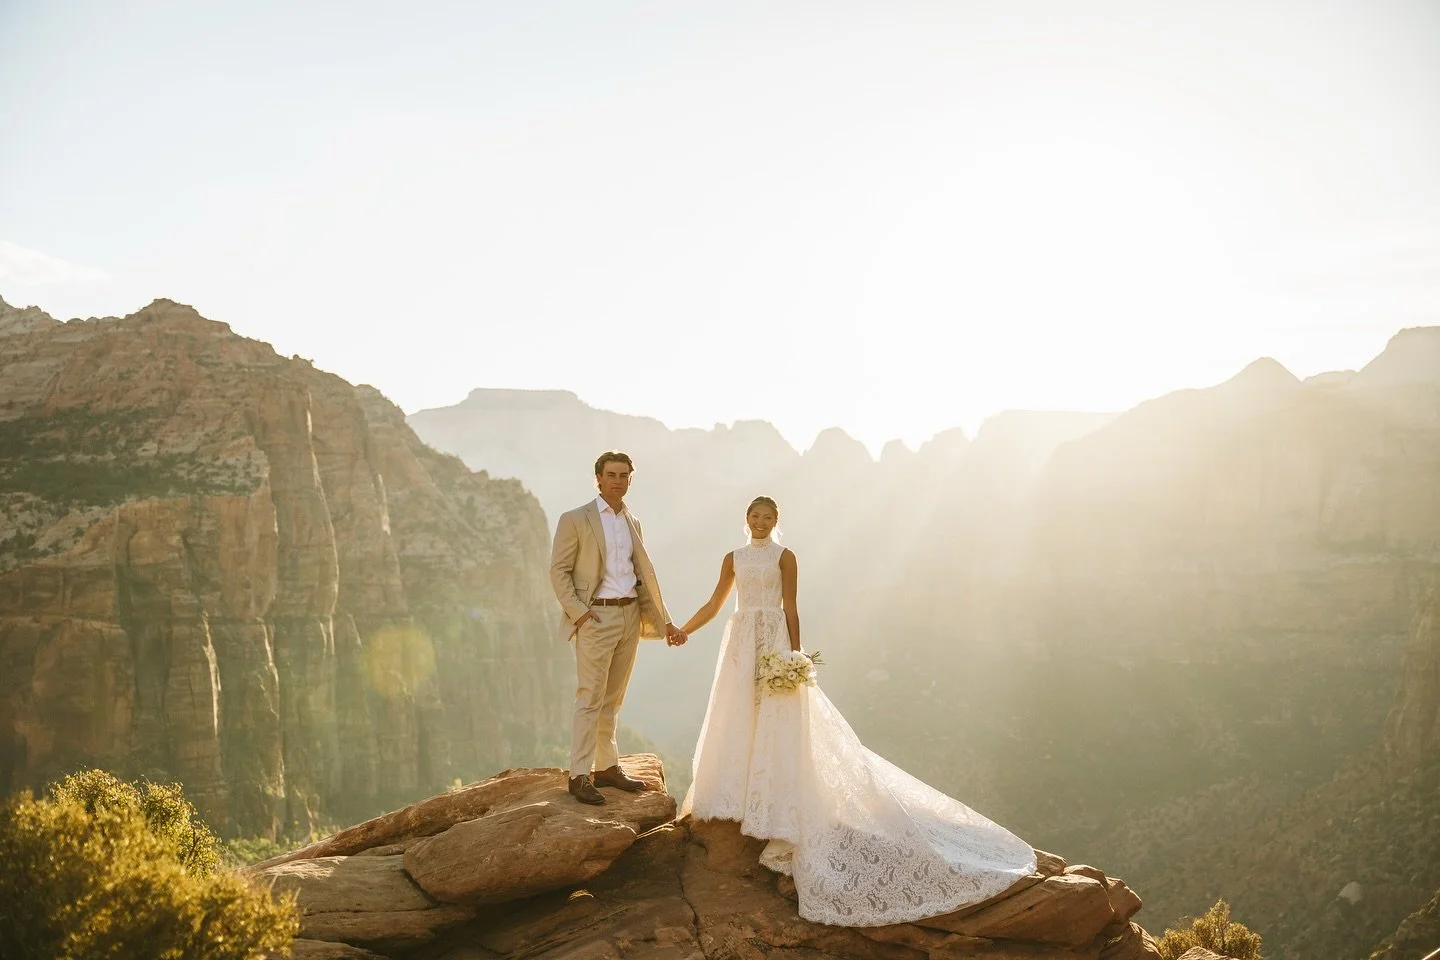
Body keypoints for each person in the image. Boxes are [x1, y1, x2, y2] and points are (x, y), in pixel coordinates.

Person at [677, 496, 1037, 927]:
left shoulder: (785, 557)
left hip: (772, 636)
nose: (759, 523)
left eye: (767, 518)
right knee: (737, 712)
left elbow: (790, 606)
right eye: (754, 517)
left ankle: (771, 798)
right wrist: (683, 629)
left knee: (776, 717)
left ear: (777, 522)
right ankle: (738, 793)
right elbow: (716, 603)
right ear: (745, 520)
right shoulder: (732, 558)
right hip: (738, 641)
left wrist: (795, 657)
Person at [549, 451, 687, 805]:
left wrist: (663, 620)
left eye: (624, 475)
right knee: (589, 698)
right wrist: (580, 613)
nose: (617, 480)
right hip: (596, 617)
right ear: (598, 478)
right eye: (611, 474)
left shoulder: (632, 522)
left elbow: (643, 577)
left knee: (612, 699)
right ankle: (579, 775)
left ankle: (607, 767)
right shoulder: (576, 519)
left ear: (630, 479)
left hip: (629, 618)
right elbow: (558, 572)